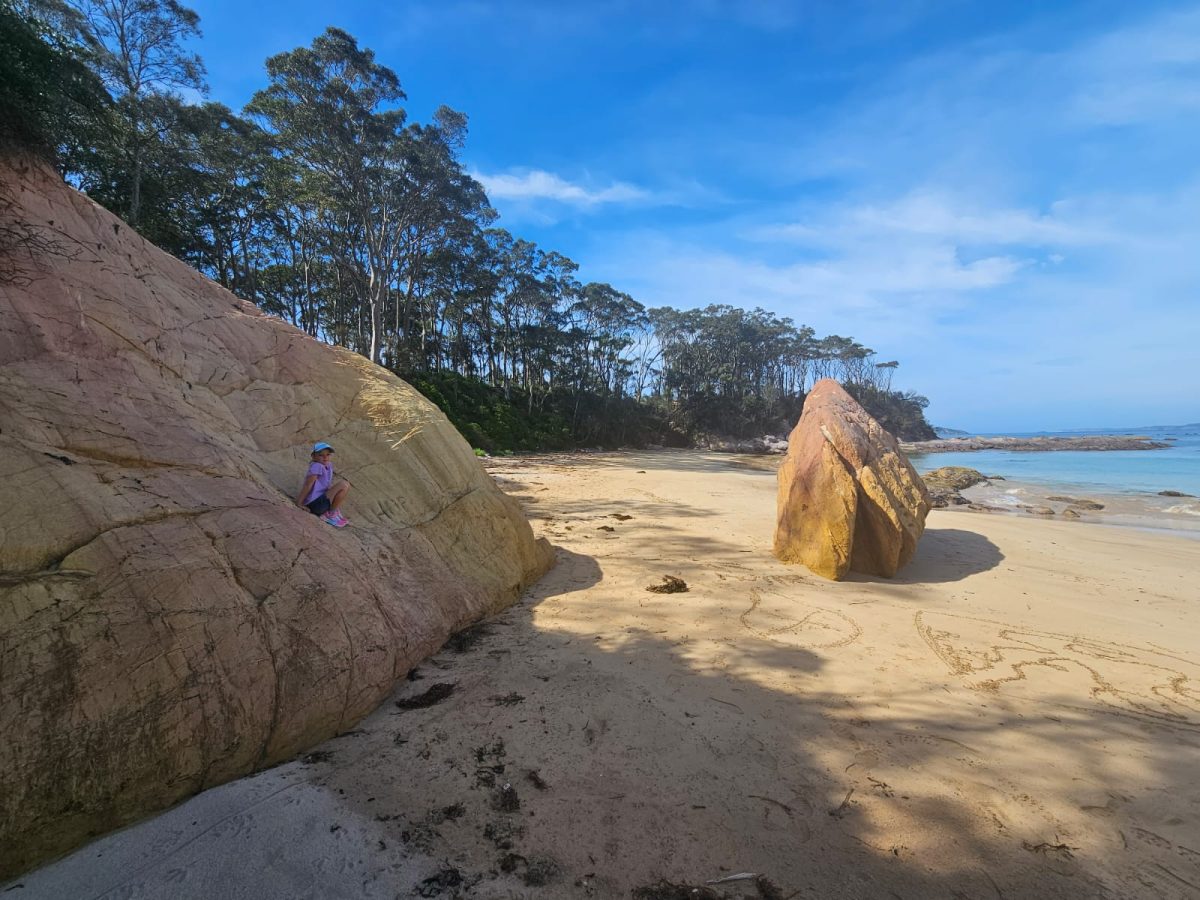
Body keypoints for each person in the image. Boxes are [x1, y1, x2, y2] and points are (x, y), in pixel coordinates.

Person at [297, 441, 350, 527]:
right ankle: (330, 514)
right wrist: (299, 502)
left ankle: (332, 511)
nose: (325, 457)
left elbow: (325, 485)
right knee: (343, 484)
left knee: (346, 485)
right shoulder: (316, 466)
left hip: (321, 501)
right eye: (321, 455)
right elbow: (308, 484)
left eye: (328, 455)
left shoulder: (328, 465)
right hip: (314, 505)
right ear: (314, 456)